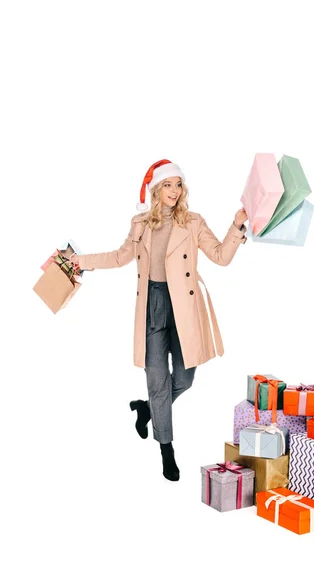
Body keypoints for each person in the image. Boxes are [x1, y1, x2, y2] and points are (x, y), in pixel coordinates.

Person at [69, 159, 248, 482]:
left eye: (179, 185)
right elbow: (119, 257)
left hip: (184, 307)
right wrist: (79, 261)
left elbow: (221, 257)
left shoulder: (193, 222)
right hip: (153, 305)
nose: (175, 191)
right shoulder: (140, 224)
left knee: (184, 379)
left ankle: (147, 409)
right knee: (157, 380)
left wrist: (236, 226)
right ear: (155, 189)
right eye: (168, 185)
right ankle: (167, 450)